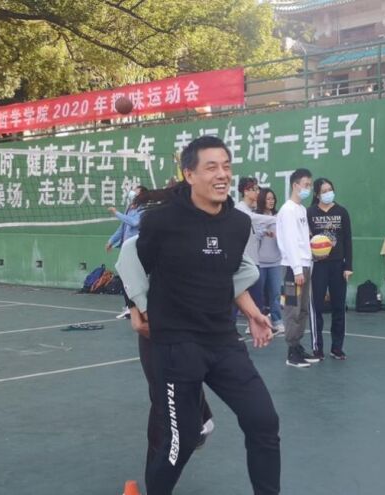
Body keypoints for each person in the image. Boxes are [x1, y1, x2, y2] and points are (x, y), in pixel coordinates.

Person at [135, 136, 280, 495]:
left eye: (226, 166)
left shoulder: (238, 224)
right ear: (189, 174)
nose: (222, 174)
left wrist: (252, 313)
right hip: (176, 345)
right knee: (182, 440)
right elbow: (135, 265)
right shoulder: (160, 221)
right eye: (211, 167)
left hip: (222, 341)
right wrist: (135, 309)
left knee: (263, 421)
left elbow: (228, 276)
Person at [276, 168, 320, 369]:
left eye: (310, 185)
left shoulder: (301, 209)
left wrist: (312, 255)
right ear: (295, 185)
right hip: (292, 269)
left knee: (302, 309)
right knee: (292, 308)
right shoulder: (287, 210)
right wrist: (297, 269)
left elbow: (303, 240)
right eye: (306, 185)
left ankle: (297, 346)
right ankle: (291, 352)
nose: (308, 188)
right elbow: (290, 242)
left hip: (304, 265)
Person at [307, 178, 353, 360]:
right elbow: (305, 237)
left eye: (330, 190)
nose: (328, 193)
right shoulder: (310, 212)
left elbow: (347, 240)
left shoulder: (341, 212)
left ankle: (337, 348)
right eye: (324, 191)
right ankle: (317, 348)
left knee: (338, 307)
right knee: (317, 307)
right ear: (317, 194)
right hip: (318, 265)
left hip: (338, 265)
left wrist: (348, 266)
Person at [235, 177, 278, 332]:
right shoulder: (240, 209)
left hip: (254, 261)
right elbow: (252, 219)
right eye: (254, 189)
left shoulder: (251, 210)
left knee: (257, 299)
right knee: (237, 297)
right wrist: (275, 218)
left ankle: (259, 327)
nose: (257, 192)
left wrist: (264, 232)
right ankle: (231, 330)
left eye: (258, 189)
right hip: (243, 262)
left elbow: (254, 231)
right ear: (245, 191)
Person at [106, 185, 147, 319]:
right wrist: (111, 240)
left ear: (141, 195)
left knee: (135, 279)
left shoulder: (143, 209)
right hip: (125, 249)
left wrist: (116, 213)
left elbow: (134, 223)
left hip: (136, 249)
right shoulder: (129, 208)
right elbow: (122, 227)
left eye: (135, 191)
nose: (132, 193)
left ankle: (138, 308)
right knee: (125, 278)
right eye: (132, 191)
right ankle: (130, 307)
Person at [256, 188, 285, 334]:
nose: (271, 201)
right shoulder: (256, 216)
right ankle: (256, 321)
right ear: (262, 200)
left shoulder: (279, 217)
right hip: (259, 262)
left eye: (272, 198)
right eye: (268, 198)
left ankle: (277, 321)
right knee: (258, 294)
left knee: (275, 293)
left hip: (275, 262)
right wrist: (263, 232)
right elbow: (253, 235)